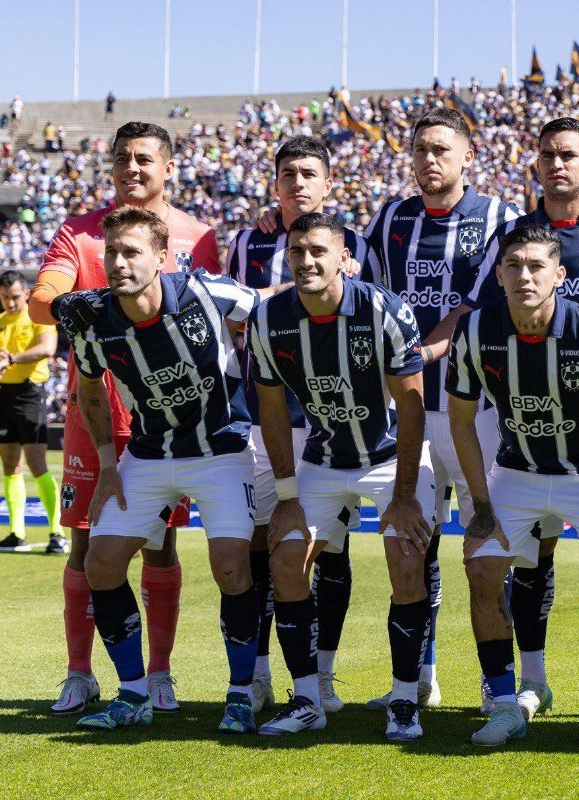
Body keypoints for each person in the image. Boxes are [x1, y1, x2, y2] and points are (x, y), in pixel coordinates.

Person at [359, 109, 579, 714]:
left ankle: (521, 679)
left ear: (468, 156)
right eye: (421, 149)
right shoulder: (389, 220)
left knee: (516, 544)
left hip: (476, 406)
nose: (430, 160)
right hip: (406, 403)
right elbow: (360, 280)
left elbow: (489, 300)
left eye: (442, 150)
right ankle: (421, 677)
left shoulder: (502, 219)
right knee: (416, 542)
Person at [425, 116, 579, 725]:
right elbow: (475, 307)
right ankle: (522, 686)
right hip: (524, 447)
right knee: (524, 561)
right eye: (547, 156)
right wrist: (425, 351)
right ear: (533, 166)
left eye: (570, 155)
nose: (557, 165)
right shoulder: (512, 235)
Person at [30, 121, 221, 717]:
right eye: (121, 159)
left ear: (168, 167)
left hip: (170, 427)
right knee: (84, 548)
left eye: (144, 159)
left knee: (160, 549)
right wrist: (80, 301)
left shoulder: (199, 236)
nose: (131, 169)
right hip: (94, 418)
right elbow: (42, 301)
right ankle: (79, 674)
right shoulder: (83, 234)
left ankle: (157, 675)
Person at [448, 225, 579, 749]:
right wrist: (481, 504)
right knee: (481, 569)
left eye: (537, 265)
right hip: (516, 471)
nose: (525, 275)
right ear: (498, 274)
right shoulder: (474, 331)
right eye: (513, 265)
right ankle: (503, 701)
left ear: (559, 275)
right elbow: (461, 421)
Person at [69, 207, 260, 733]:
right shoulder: (94, 324)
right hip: (148, 455)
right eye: (111, 252)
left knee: (231, 568)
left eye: (131, 252)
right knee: (101, 563)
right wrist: (109, 464)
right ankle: (132, 694)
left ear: (162, 258)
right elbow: (90, 388)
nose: (118, 263)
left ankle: (242, 694)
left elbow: (267, 307)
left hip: (220, 451)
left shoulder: (207, 293)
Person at [249, 212, 436, 740]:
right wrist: (286, 495)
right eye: (298, 252)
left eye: (318, 251)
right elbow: (273, 412)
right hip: (322, 459)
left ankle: (404, 700)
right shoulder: (270, 318)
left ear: (342, 259)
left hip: (388, 456)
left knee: (405, 557)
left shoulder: (384, 310)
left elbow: (413, 406)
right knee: (285, 559)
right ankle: (307, 696)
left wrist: (402, 495)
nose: (307, 261)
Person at [225, 135, 370, 717]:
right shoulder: (245, 241)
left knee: (330, 550)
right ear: (274, 183)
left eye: (309, 173)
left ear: (329, 183)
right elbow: (234, 314)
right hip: (266, 418)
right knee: (264, 544)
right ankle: (258, 673)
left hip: (336, 421)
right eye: (288, 173)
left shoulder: (357, 242)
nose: (298, 183)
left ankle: (323, 674)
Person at [0, 271, 62, 553]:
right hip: (3, 396)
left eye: (15, 296)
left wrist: (11, 358)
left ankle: (57, 532)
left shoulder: (39, 317)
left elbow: (47, 348)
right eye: (5, 297)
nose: (11, 302)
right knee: (10, 466)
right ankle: (17, 534)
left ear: (26, 293)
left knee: (37, 463)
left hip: (31, 394)